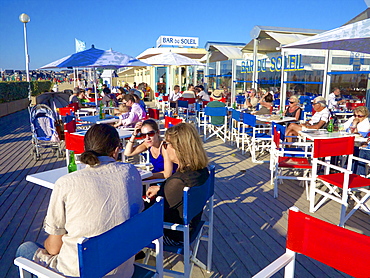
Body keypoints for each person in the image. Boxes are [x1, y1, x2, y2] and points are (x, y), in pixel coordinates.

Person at [15, 124, 143, 277]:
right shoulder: (131, 172)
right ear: (116, 150)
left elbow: (54, 249)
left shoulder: (66, 183)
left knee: (25, 249)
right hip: (122, 271)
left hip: (79, 273)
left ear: (85, 148)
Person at [146, 123, 209, 245]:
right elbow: (175, 196)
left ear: (179, 148)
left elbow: (153, 212)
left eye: (166, 144)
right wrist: (160, 189)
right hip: (192, 226)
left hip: (173, 234)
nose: (164, 148)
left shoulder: (177, 182)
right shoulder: (202, 171)